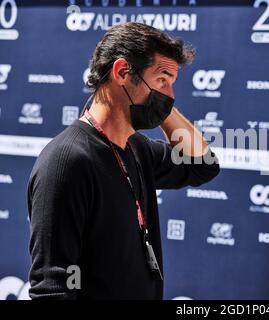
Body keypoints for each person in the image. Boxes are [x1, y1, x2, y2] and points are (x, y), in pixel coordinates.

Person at [27, 22, 220, 299]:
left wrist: (161, 106)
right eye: (162, 80)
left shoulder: (136, 149)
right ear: (121, 72)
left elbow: (202, 165)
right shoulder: (67, 163)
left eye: (172, 84)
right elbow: (53, 290)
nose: (171, 96)